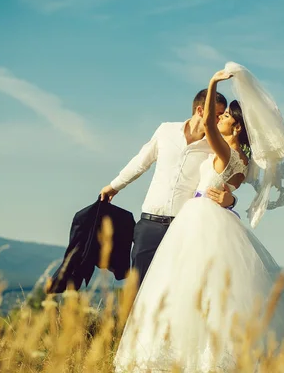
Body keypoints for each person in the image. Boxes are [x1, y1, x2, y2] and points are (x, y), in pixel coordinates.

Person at [113, 63, 284, 372]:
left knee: (183, 286)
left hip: (199, 220)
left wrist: (212, 83)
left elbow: (206, 122)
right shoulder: (244, 160)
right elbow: (229, 188)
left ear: (236, 128)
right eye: (221, 115)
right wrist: (230, 197)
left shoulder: (224, 152)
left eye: (226, 116)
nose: (219, 118)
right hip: (217, 219)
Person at [99, 89, 237, 285]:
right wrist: (114, 186)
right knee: (138, 287)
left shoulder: (216, 147)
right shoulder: (166, 130)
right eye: (215, 116)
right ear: (200, 110)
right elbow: (141, 162)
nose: (218, 122)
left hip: (183, 229)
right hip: (149, 224)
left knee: (174, 289)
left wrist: (231, 201)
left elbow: (224, 182)